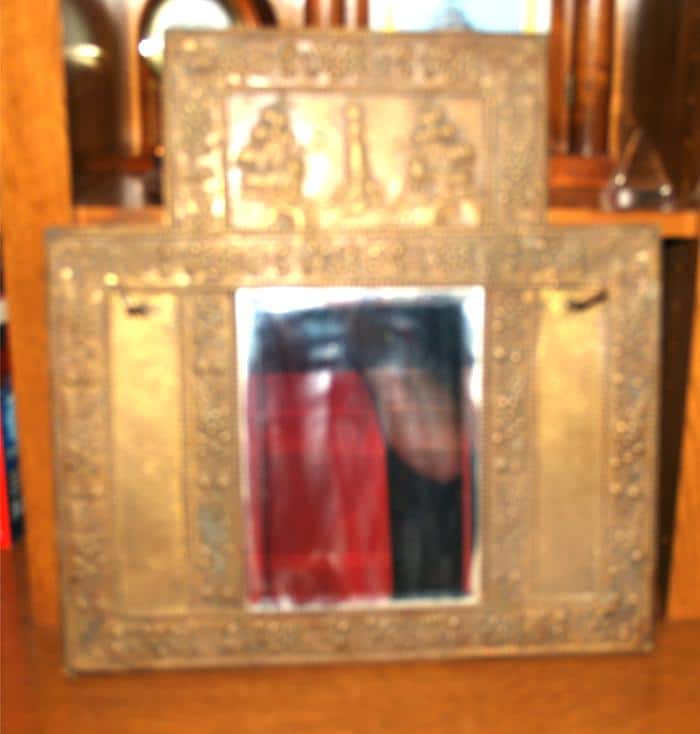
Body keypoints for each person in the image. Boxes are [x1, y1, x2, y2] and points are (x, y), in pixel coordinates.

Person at [246, 295, 474, 603]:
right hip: (296, 556)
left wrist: (378, 343)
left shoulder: (427, 312)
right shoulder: (270, 322)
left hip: (408, 561)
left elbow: (444, 458)